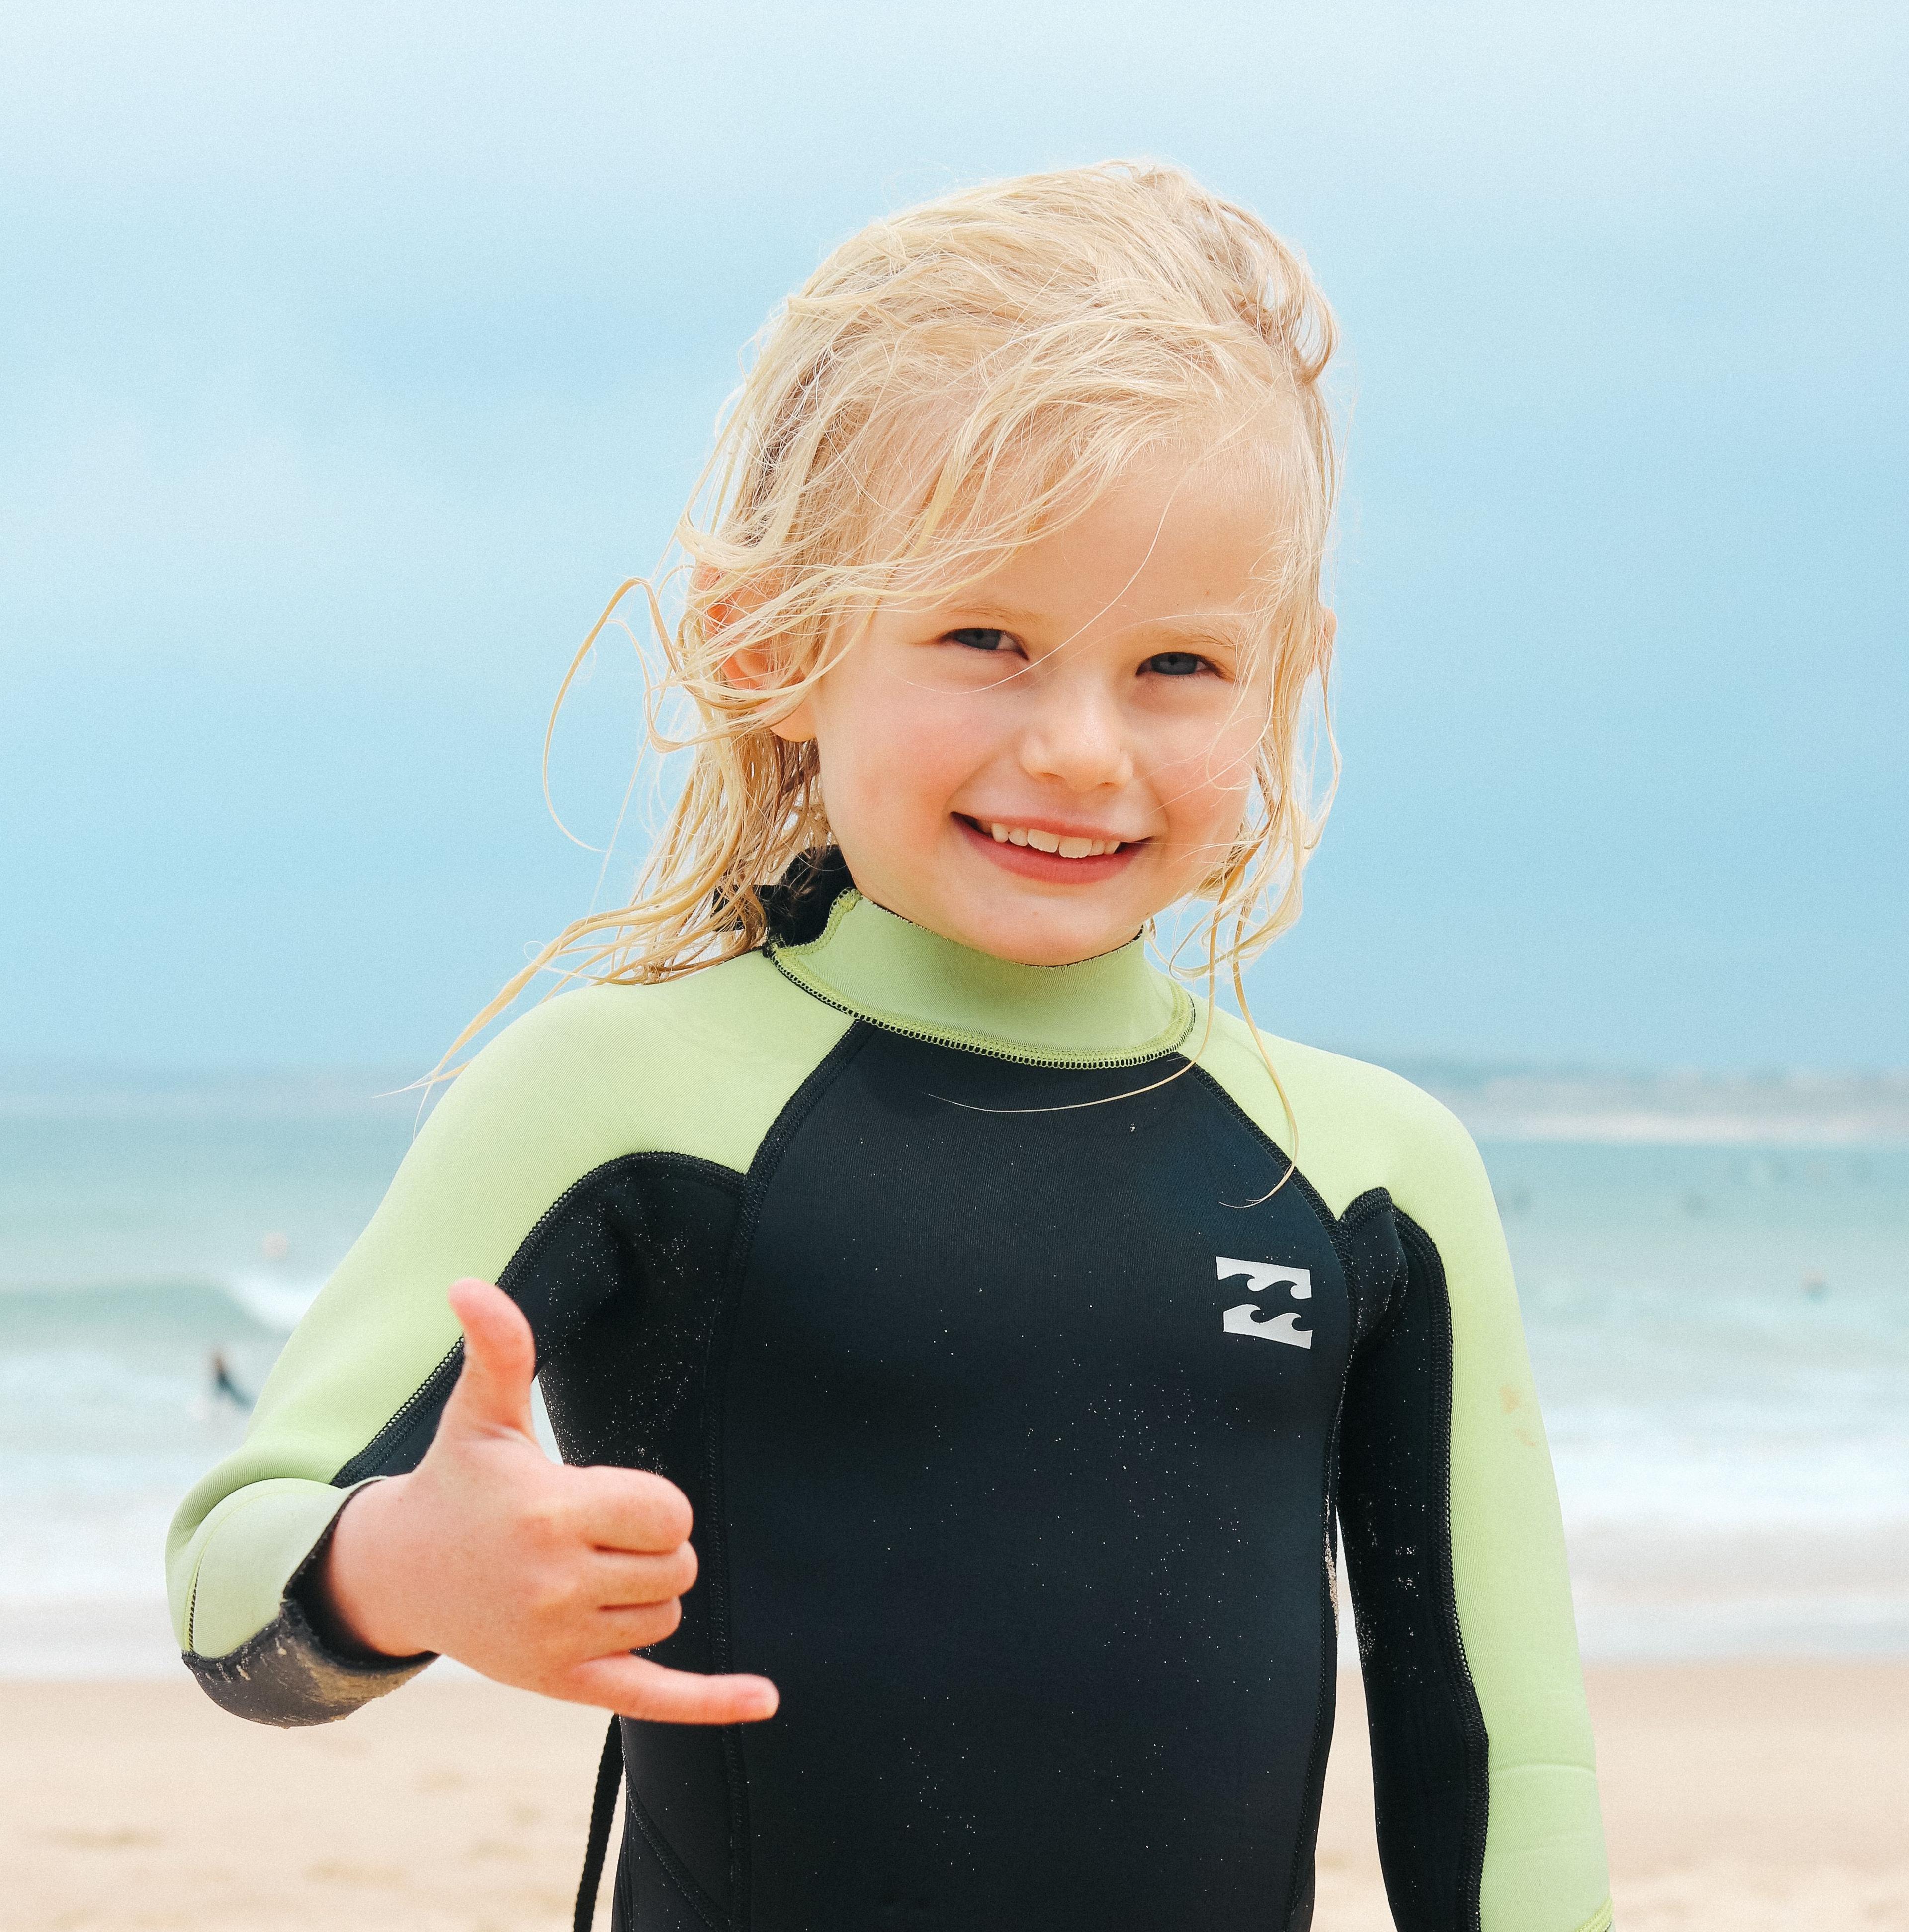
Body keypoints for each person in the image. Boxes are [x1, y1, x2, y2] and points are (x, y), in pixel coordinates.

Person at [167, 163, 1612, 1932]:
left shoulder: (1374, 1175)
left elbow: (1502, 1751)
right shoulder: (622, 1096)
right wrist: (408, 1566)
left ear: (1286, 681)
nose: (1082, 748)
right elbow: (229, 1591)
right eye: (985, 639)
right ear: (774, 640)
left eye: (1178, 665)